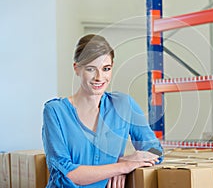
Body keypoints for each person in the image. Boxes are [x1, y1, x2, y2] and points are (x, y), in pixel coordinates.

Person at [42, 34, 163, 187]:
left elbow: (157, 150)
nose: (99, 77)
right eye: (91, 69)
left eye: (106, 69)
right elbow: (67, 173)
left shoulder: (124, 105)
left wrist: (131, 160)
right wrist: (121, 167)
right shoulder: (55, 111)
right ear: (77, 69)